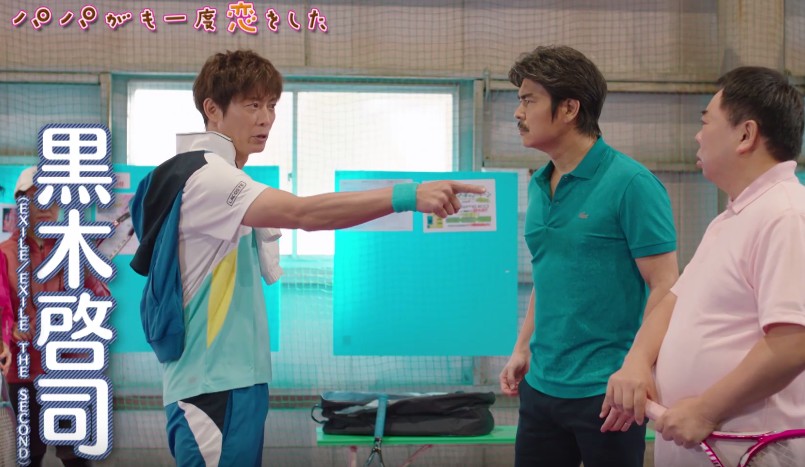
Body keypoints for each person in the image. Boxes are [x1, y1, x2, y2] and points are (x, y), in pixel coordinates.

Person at [129, 49, 485, 466]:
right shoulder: (208, 177)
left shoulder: (216, 174)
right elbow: (304, 213)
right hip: (210, 391)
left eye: (271, 105)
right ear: (212, 109)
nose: (266, 119)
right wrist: (408, 195)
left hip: (232, 384)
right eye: (252, 105)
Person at [600, 66, 805, 466]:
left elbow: (793, 342)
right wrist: (637, 360)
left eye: (706, 122)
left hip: (752, 450)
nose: (698, 135)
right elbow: (674, 300)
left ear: (745, 135)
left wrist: (706, 410)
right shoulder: (730, 219)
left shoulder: (787, 216)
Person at [497, 45, 679, 467]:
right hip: (540, 390)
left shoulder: (632, 184)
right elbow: (550, 274)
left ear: (569, 108)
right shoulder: (539, 183)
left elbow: (667, 284)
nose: (518, 113)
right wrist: (522, 347)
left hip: (608, 395)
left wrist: (638, 366)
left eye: (529, 100)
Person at [0, 166, 112, 467]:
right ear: (21, 204)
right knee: (29, 457)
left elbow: (99, 301)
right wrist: (10, 330)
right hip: (22, 373)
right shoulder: (4, 254)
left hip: (67, 372)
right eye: (37, 199)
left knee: (76, 459)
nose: (47, 207)